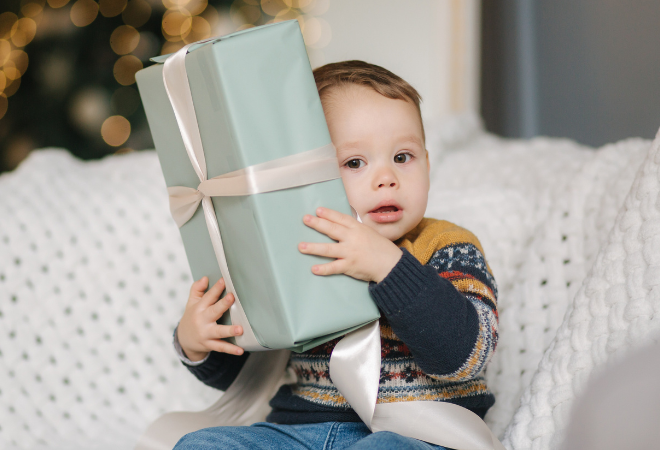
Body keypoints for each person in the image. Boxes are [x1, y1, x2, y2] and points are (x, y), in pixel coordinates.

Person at [171, 60, 500, 449]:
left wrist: (388, 266)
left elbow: (465, 355)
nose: (386, 178)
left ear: (427, 164)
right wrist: (199, 342)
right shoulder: (298, 249)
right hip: (297, 432)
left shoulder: (447, 245)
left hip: (419, 431)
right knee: (201, 444)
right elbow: (250, 375)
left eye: (403, 157)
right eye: (355, 163)